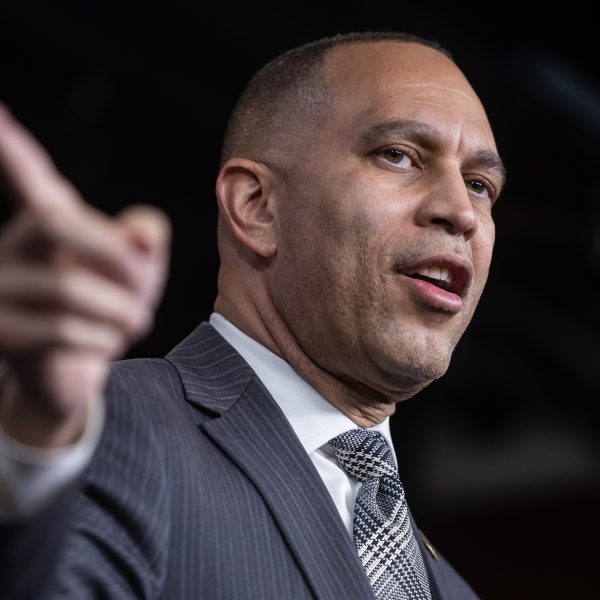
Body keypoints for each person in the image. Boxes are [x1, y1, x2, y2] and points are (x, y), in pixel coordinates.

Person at [0, 31, 505, 599]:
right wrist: (32, 447)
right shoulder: (111, 425)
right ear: (257, 207)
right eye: (398, 155)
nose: (461, 212)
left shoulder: (453, 589)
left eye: (480, 185)